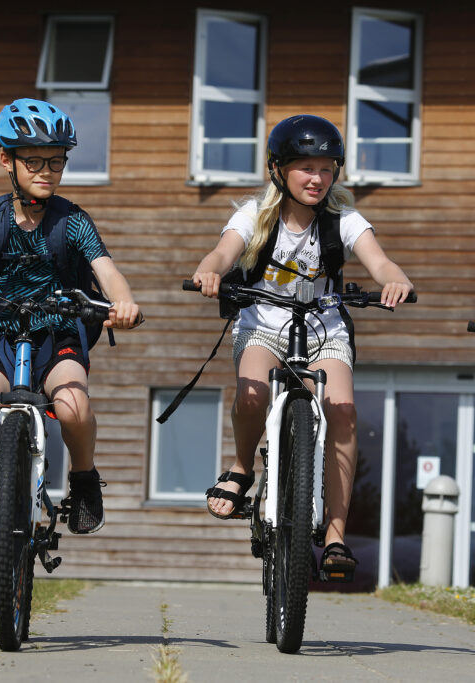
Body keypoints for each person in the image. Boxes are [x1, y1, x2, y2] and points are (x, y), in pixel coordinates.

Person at [0, 98, 142, 571]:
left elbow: (109, 272)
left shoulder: (72, 221)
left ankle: (82, 480)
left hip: (58, 334)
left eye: (55, 160)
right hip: (2, 336)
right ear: (6, 161)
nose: (46, 171)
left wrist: (123, 302)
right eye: (33, 160)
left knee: (74, 403)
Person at [191, 114, 413, 575]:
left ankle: (334, 535)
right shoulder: (254, 215)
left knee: (343, 411)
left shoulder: (343, 219)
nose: (317, 178)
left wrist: (395, 280)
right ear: (278, 169)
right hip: (263, 325)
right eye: (306, 167)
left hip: (323, 330)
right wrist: (210, 269)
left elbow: (381, 261)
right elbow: (224, 251)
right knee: (251, 393)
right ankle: (240, 469)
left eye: (327, 169)